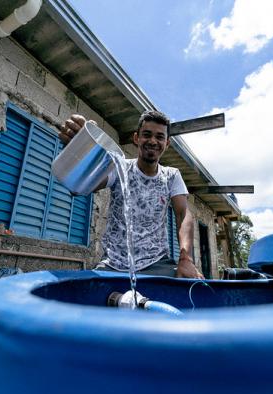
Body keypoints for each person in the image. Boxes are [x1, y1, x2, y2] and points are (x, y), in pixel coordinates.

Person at [59, 110, 203, 279]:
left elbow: (183, 213)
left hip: (157, 263)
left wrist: (186, 259)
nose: (153, 141)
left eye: (159, 137)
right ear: (136, 138)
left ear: (167, 143)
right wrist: (80, 149)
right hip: (114, 263)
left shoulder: (171, 176)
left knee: (192, 290)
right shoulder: (119, 167)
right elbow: (78, 189)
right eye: (147, 135)